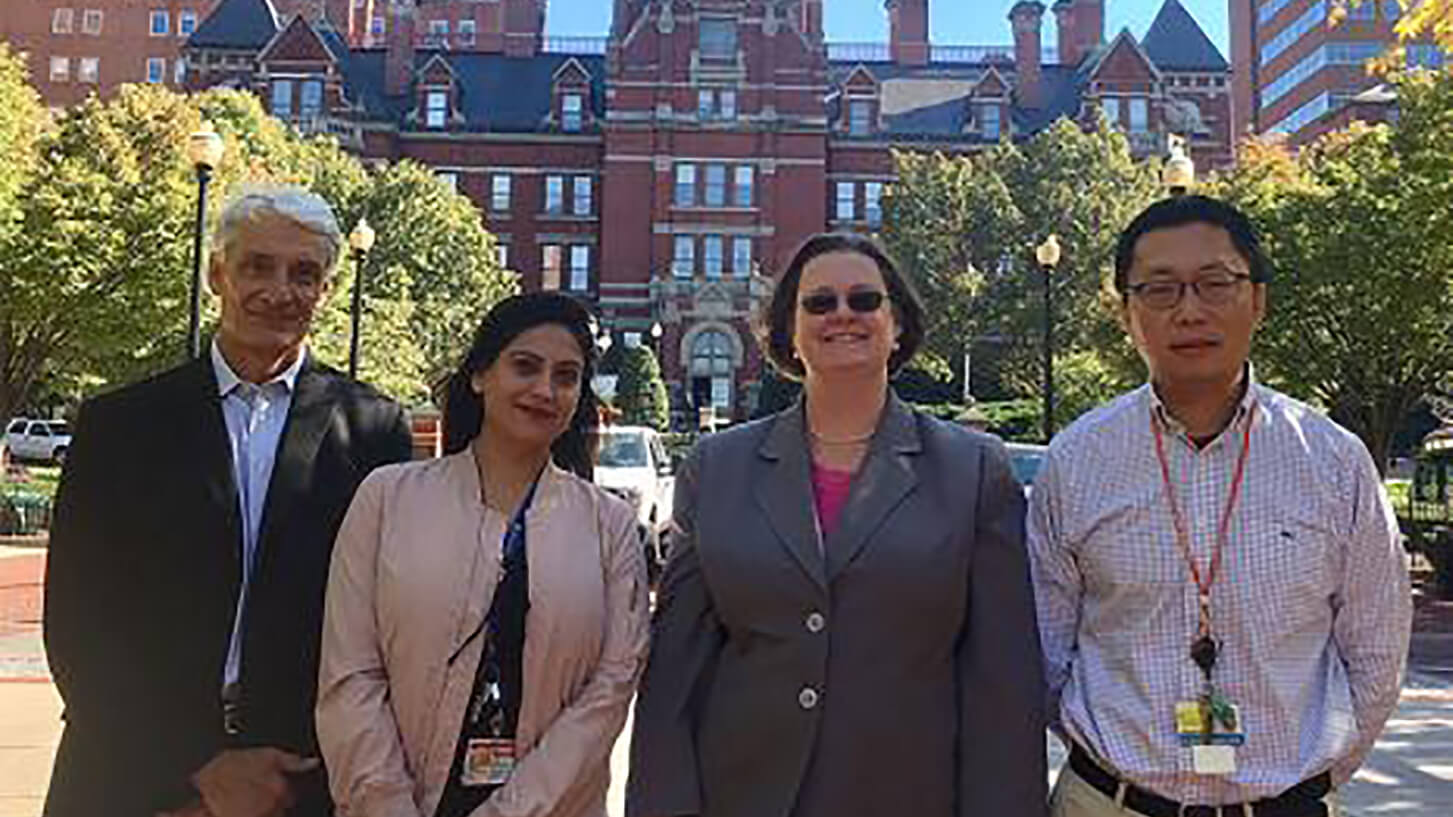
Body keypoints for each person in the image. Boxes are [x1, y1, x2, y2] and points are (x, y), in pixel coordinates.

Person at [627, 233, 1047, 817]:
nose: (842, 314)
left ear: (897, 325)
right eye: (819, 303)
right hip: (743, 795)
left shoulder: (973, 470)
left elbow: (1003, 684)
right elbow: (675, 677)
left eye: (865, 301)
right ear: (788, 333)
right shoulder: (717, 469)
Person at [1029, 195, 1412, 817]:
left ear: (1257, 300)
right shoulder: (1076, 462)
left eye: (1215, 283)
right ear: (1127, 312)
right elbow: (1045, 657)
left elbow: (1376, 654)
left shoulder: (1334, 462)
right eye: (1159, 289)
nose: (1189, 310)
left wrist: (1302, 785)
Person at [43, 187, 414, 817]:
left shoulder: (375, 432)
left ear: (325, 291)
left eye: (304, 273)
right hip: (129, 774)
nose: (280, 289)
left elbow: (382, 632)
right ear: (217, 273)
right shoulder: (119, 426)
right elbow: (79, 625)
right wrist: (196, 766)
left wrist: (283, 772)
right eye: (257, 265)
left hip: (296, 783)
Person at [316, 293, 649, 817]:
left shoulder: (608, 525)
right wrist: (386, 805)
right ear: (479, 375)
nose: (544, 389)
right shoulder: (387, 498)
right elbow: (350, 670)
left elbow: (610, 689)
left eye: (566, 376)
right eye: (524, 366)